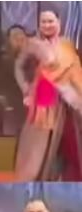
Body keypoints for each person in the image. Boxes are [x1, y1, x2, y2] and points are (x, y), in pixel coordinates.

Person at [13, 10, 82, 181]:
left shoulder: (67, 44)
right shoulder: (33, 45)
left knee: (72, 143)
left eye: (50, 21)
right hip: (45, 98)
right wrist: (26, 90)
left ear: (59, 22)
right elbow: (19, 66)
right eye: (43, 22)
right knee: (42, 147)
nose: (47, 25)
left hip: (71, 100)